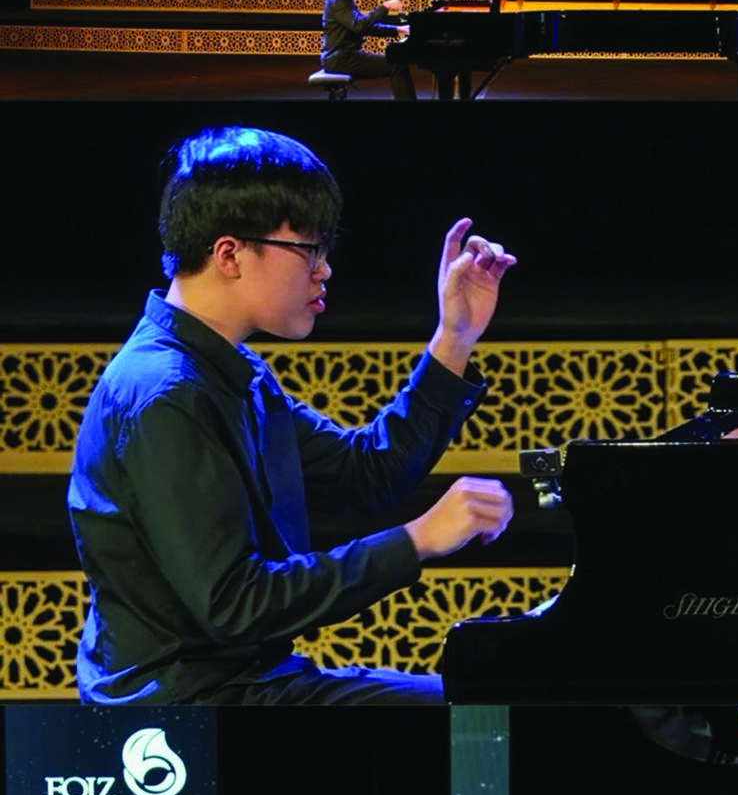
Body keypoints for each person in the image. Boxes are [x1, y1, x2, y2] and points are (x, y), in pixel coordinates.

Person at [68, 126, 515, 705]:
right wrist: (417, 540)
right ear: (229, 254)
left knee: (488, 701)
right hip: (187, 704)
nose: (323, 269)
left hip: (245, 681)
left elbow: (366, 477)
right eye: (308, 250)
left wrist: (454, 338)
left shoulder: (227, 369)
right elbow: (234, 605)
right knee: (480, 716)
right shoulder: (165, 394)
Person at [321, 0, 418, 100]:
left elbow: (364, 26)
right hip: (340, 59)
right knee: (397, 65)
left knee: (396, 62)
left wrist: (398, 30)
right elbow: (359, 25)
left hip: (344, 56)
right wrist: (385, 7)